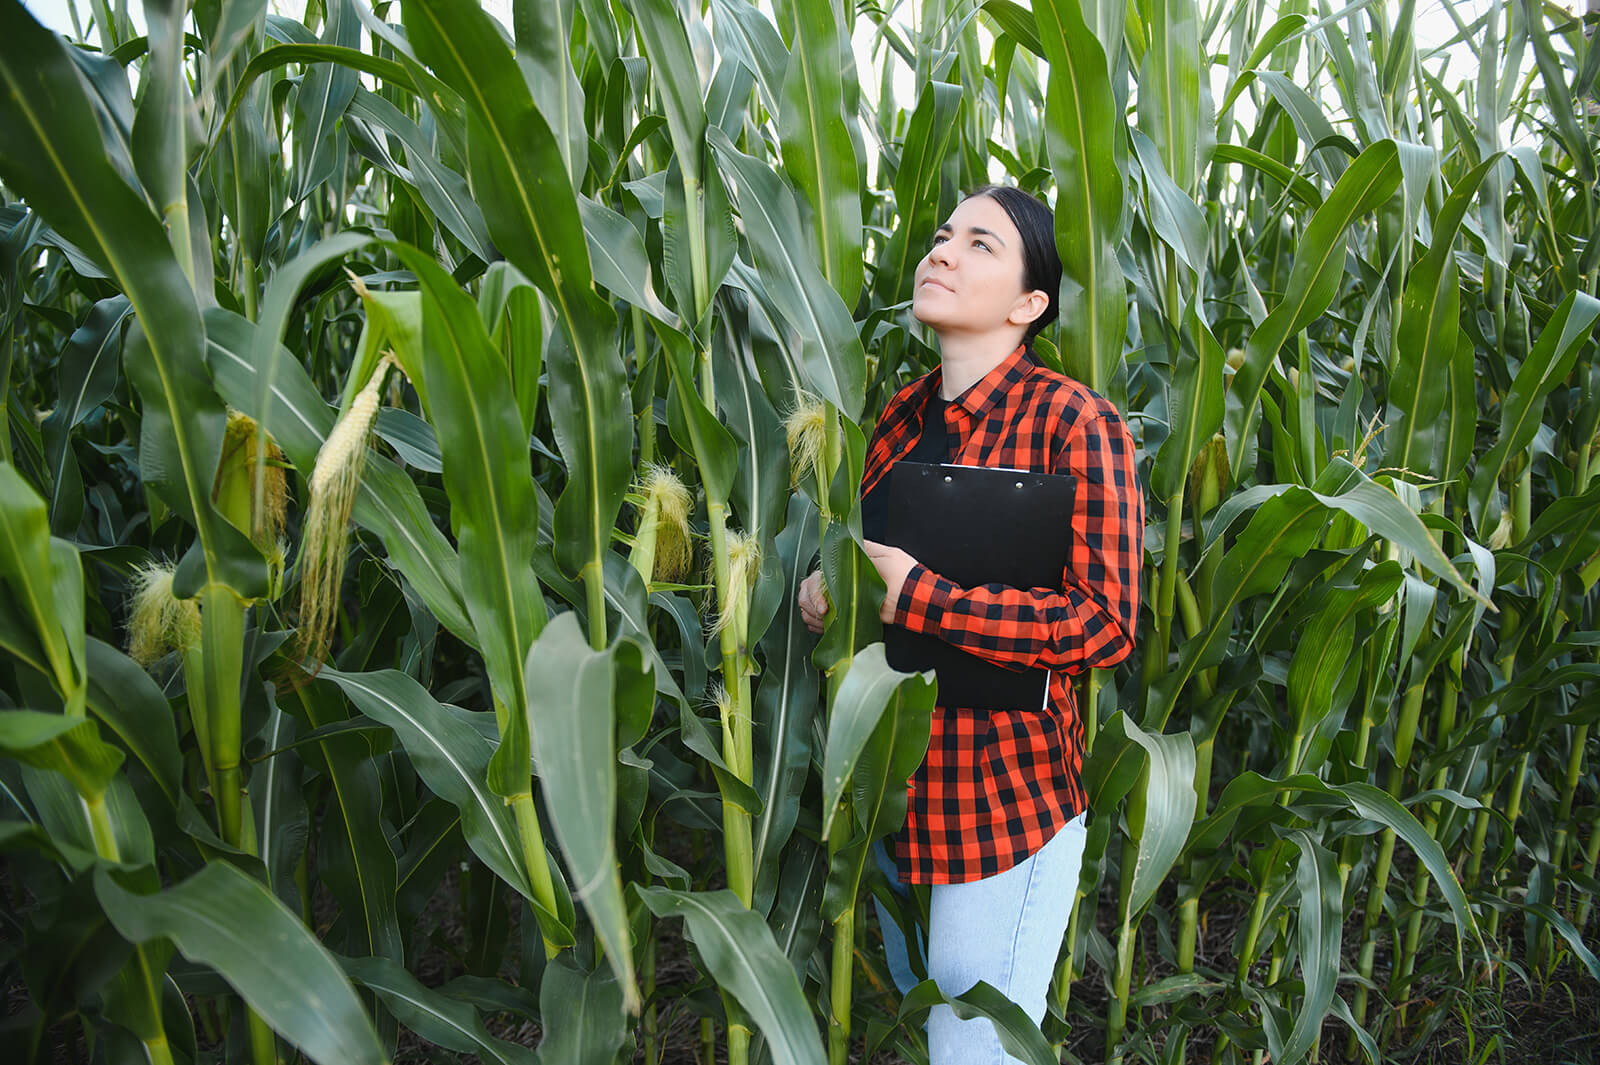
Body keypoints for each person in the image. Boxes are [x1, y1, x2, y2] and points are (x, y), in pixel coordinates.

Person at [797, 185, 1144, 1064]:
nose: (942, 251)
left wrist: (922, 597)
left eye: (981, 244)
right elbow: (870, 578)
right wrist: (826, 592)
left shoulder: (1076, 423)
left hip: (1004, 809)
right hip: (897, 791)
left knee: (975, 1054)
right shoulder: (895, 422)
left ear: (1031, 304)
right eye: (943, 234)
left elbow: (1104, 625)